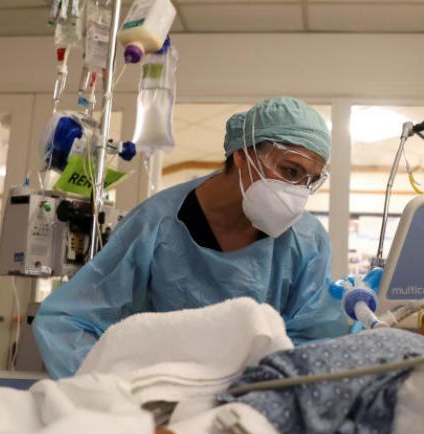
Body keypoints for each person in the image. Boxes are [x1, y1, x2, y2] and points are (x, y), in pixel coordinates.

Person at [34, 96, 350, 378]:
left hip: (252, 400)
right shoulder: (155, 224)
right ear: (243, 155)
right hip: (161, 396)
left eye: (310, 180)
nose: (297, 191)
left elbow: (317, 340)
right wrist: (116, 390)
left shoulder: (306, 240)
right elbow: (65, 320)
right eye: (290, 171)